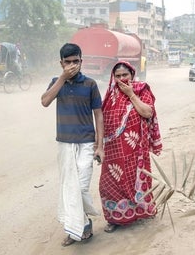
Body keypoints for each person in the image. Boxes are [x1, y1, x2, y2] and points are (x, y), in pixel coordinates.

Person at [41, 43, 105, 247]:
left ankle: (80, 223)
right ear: (61, 63)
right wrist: (62, 78)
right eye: (67, 62)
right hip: (65, 144)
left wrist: (100, 145)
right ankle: (81, 227)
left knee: (81, 186)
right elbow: (44, 101)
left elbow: (99, 115)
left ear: (81, 61)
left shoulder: (90, 84)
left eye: (75, 61)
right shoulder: (56, 82)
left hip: (86, 143)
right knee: (70, 187)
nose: (72, 65)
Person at [99, 61, 162, 233]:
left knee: (135, 179)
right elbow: (101, 121)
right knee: (109, 183)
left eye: (124, 75)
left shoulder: (142, 89)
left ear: (132, 75)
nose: (121, 79)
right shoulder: (109, 95)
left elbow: (147, 112)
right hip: (113, 151)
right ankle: (115, 218)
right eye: (117, 76)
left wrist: (131, 94)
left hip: (135, 149)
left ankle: (141, 211)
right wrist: (98, 147)